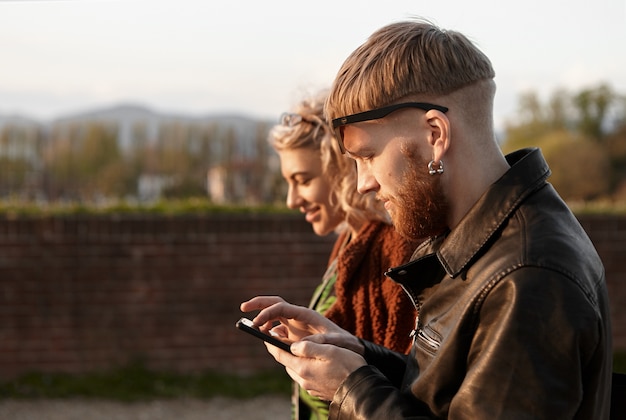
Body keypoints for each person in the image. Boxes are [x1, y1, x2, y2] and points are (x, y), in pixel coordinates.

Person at [242, 19, 613, 419]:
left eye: (368, 156)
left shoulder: (527, 278)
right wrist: (358, 354)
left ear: (435, 133)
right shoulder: (479, 239)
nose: (363, 184)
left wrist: (352, 389)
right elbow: (450, 394)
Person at [268, 91, 418, 419]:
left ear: (342, 169)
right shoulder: (350, 242)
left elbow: (409, 380)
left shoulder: (394, 248)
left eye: (303, 180)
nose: (292, 200)